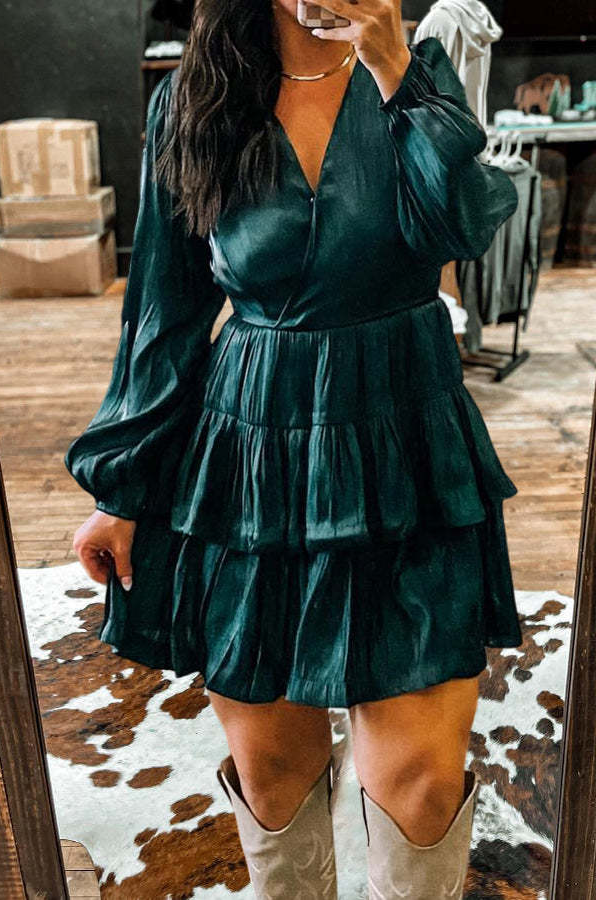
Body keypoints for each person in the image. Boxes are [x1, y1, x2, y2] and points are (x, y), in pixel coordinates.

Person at [65, 0, 523, 895]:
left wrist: (395, 71)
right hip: (253, 458)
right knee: (274, 775)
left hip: (406, 447)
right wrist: (121, 489)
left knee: (422, 784)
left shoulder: (418, 72)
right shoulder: (196, 99)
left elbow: (463, 227)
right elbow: (165, 307)